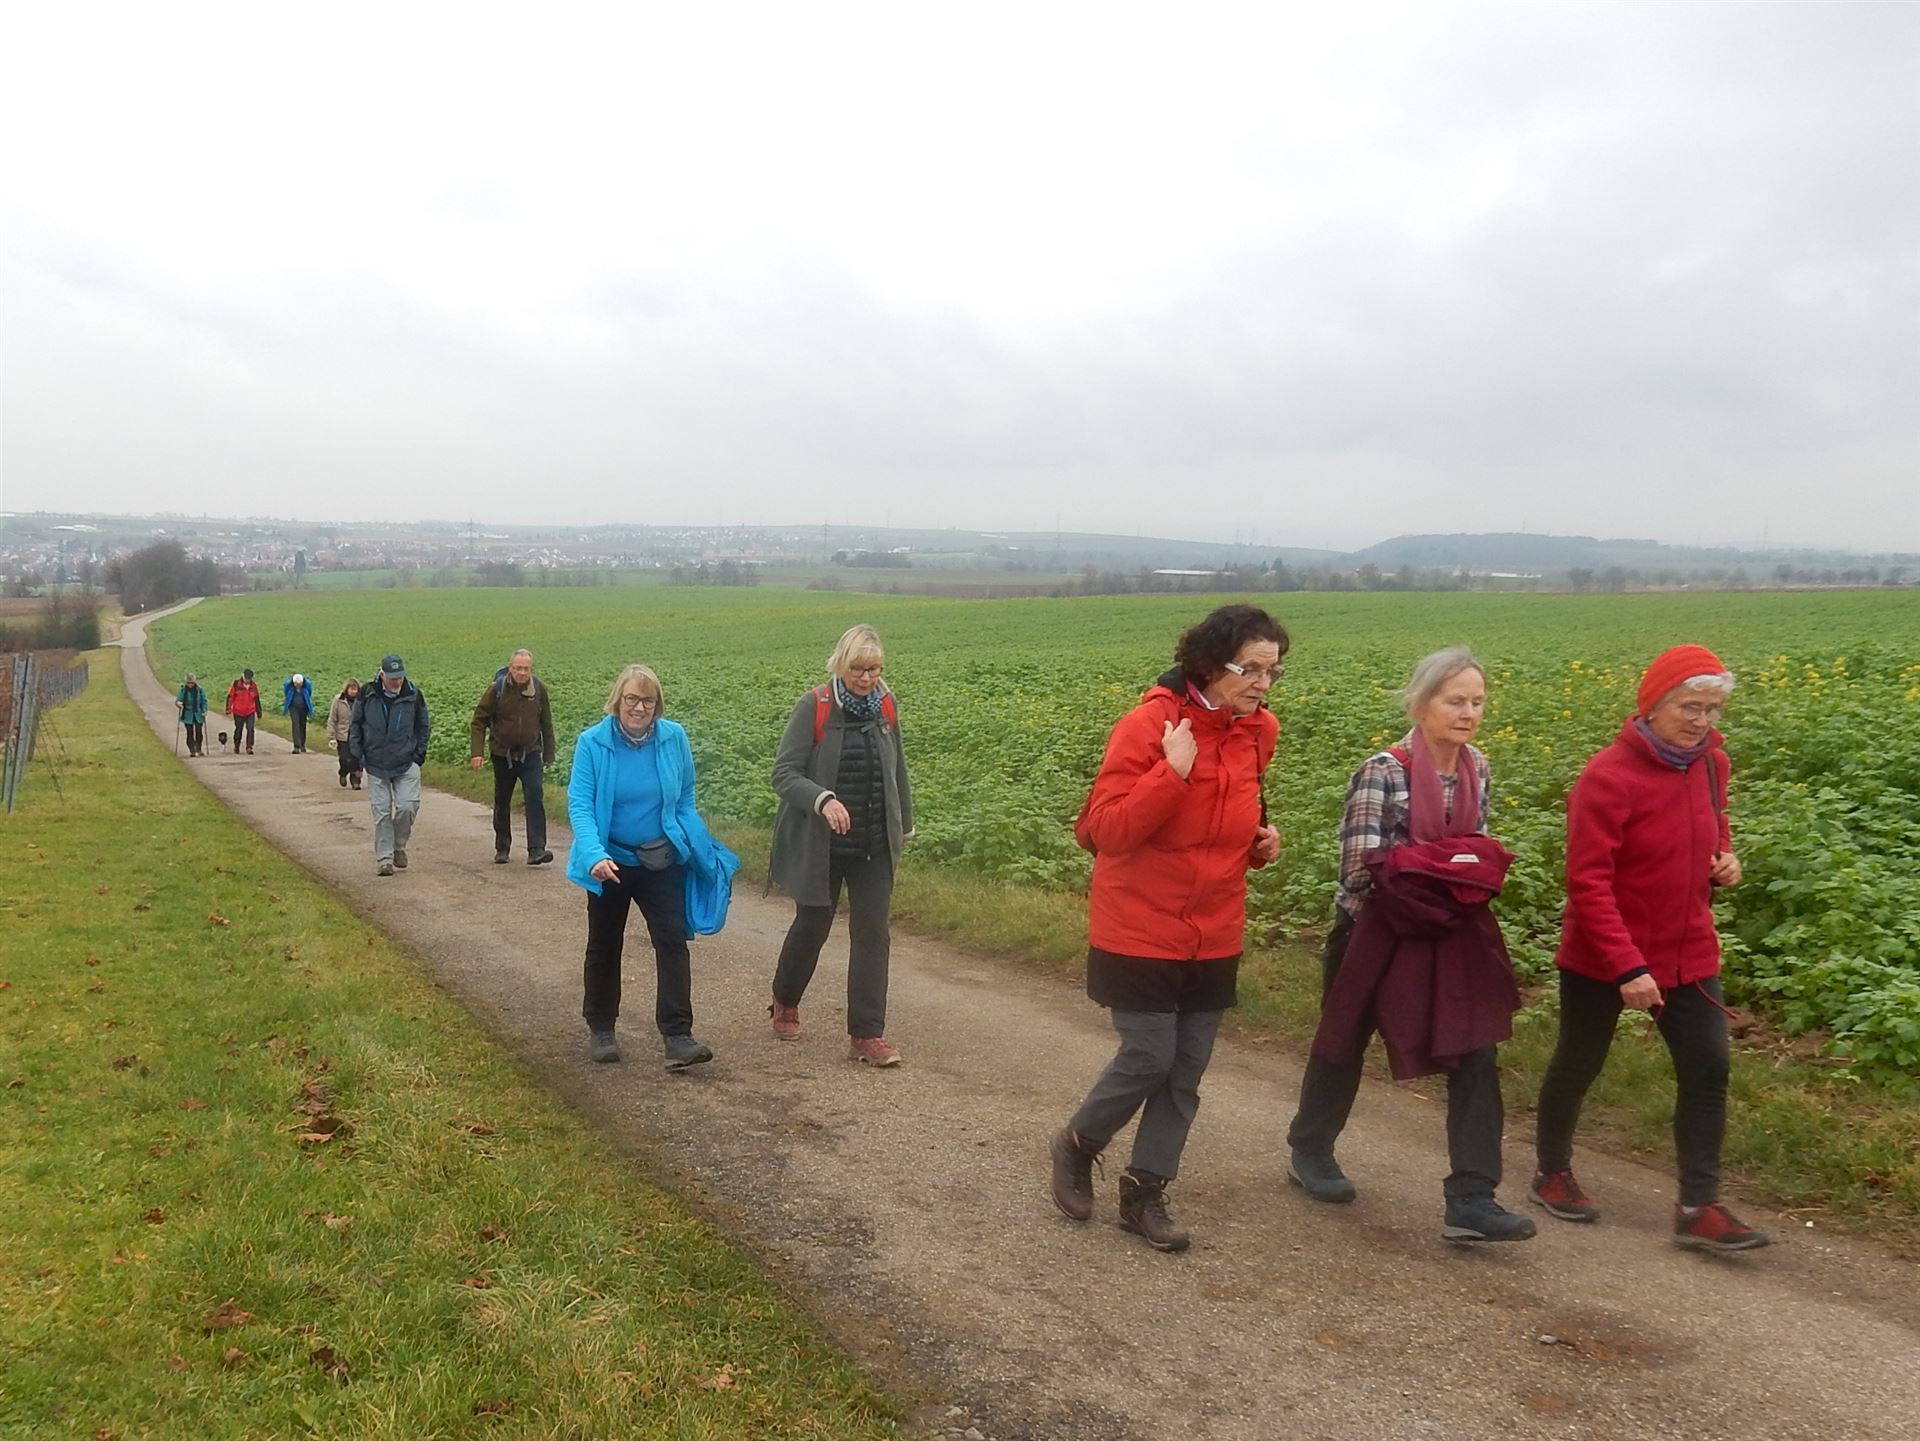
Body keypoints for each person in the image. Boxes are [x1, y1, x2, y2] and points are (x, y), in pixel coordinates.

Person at [1049, 604, 1284, 1253]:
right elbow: (1103, 831)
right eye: (1251, 668)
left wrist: (1259, 845)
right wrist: (1171, 771)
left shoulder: (1259, 730)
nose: (1264, 683)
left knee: (1186, 1069)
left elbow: (1224, 825)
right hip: (1138, 926)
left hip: (1215, 929)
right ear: (1209, 663)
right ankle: (1077, 1144)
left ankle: (1145, 1191)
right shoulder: (1149, 725)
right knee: (1149, 1055)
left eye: (1273, 671)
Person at [1284, 647, 1535, 1244]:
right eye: (1455, 701)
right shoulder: (1384, 771)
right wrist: (1447, 869)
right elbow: (1357, 871)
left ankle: (1472, 1197)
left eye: (1477, 702)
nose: (1469, 713)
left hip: (1447, 934)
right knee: (1344, 1042)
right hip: (1372, 934)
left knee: (1475, 1050)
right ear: (1421, 706)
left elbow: (1477, 857)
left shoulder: (1478, 767)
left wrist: (1430, 869)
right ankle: (1310, 1151)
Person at [1532, 644, 1769, 1252]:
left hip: (1689, 950)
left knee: (1708, 1069)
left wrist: (1726, 858)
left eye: (1712, 710)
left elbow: (1717, 823)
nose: (1701, 721)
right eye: (1690, 707)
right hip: (1604, 956)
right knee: (1579, 1061)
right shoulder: (1607, 776)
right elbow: (1587, 883)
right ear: (1653, 704)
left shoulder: (1713, 765)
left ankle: (1698, 1206)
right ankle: (1552, 1172)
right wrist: (1627, 966)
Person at [565, 664, 735, 1070]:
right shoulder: (593, 743)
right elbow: (580, 805)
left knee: (672, 941)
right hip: (610, 861)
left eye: (648, 700)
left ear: (657, 705)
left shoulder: (674, 737)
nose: (639, 708)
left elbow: (686, 795)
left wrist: (695, 840)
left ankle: (678, 1036)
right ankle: (601, 1028)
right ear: (617, 700)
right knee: (605, 943)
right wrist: (594, 855)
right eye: (632, 699)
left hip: (662, 859)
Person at [767, 624, 915, 1067]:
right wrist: (823, 800)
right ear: (840, 664)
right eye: (858, 669)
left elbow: (898, 769)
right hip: (822, 845)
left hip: (874, 843)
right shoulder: (814, 706)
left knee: (873, 934)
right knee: (812, 926)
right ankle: (785, 999)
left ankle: (867, 1035)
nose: (866, 678)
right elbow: (784, 774)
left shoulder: (886, 706)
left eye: (874, 669)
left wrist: (904, 826)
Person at [469, 648, 557, 865]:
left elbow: (546, 722)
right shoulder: (496, 690)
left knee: (534, 796)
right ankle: (502, 847)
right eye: (518, 668)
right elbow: (478, 721)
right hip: (503, 754)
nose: (522, 673)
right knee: (502, 800)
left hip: (531, 753)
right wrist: (477, 752)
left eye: (526, 669)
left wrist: (549, 754)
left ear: (531, 669)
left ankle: (537, 849)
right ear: (510, 668)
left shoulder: (538, 689)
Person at [347, 654, 431, 878]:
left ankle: (398, 846)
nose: (397, 681)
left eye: (400, 676)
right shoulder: (367, 693)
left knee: (408, 806)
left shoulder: (413, 694)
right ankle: (384, 859)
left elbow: (423, 725)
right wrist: (356, 756)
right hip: (376, 763)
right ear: (382, 674)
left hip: (406, 761)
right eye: (393, 677)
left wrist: (419, 754)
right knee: (382, 811)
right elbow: (355, 725)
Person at [327, 679, 364, 790]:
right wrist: (331, 736)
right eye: (352, 689)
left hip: (357, 735)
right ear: (347, 689)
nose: (354, 691)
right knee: (344, 759)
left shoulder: (361, 701)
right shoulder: (338, 701)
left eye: (355, 689)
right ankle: (343, 772)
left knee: (356, 759)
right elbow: (332, 719)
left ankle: (355, 781)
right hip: (342, 735)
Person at [226, 669, 261, 754]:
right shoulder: (236, 684)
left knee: (250, 728)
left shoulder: (253, 686)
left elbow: (256, 699)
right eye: (246, 678)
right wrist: (228, 709)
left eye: (249, 678)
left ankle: (249, 747)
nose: (247, 680)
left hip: (250, 711)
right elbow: (230, 697)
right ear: (243, 676)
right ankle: (236, 746)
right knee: (239, 729)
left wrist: (259, 711)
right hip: (238, 711)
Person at [176, 673, 208, 757]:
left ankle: (199, 748)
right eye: (189, 683)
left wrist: (205, 710)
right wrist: (178, 704)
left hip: (198, 713)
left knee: (199, 731)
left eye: (192, 683)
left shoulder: (199, 690)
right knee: (189, 732)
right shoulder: (183, 690)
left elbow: (204, 700)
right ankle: (192, 750)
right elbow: (179, 699)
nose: (190, 684)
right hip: (187, 714)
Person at [282, 672, 315, 753]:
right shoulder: (289, 685)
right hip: (293, 707)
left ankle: (302, 744)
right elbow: (286, 693)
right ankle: (296, 746)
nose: (298, 686)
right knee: (295, 724)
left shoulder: (307, 685)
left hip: (304, 707)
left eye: (299, 684)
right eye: (296, 684)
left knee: (303, 725)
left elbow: (309, 693)